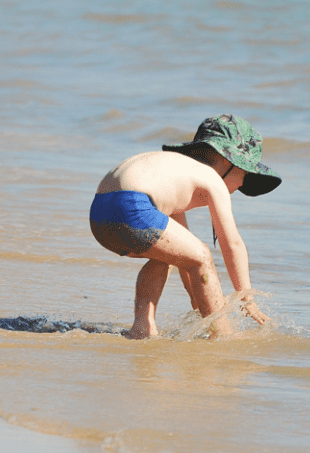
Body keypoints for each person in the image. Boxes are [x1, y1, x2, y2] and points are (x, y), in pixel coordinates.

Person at [89, 114, 282, 339]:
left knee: (171, 254)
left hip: (100, 214)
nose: (241, 185)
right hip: (132, 205)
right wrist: (246, 299)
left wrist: (198, 298)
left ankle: (143, 326)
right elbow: (233, 244)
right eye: (245, 175)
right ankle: (221, 336)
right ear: (228, 161)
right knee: (202, 256)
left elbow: (182, 253)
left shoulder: (172, 170)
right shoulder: (212, 178)